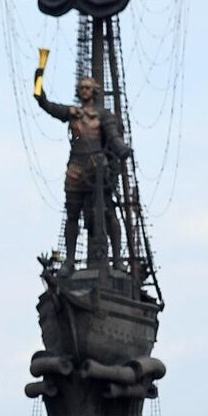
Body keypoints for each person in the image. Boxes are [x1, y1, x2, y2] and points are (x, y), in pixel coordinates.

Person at [34, 73, 131, 269]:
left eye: (87, 87)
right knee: (72, 213)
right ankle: (69, 261)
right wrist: (39, 84)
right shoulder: (72, 113)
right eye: (81, 87)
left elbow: (113, 137)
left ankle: (118, 260)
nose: (84, 90)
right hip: (76, 168)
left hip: (97, 168)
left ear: (94, 91)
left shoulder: (103, 115)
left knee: (108, 212)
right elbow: (47, 105)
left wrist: (121, 149)